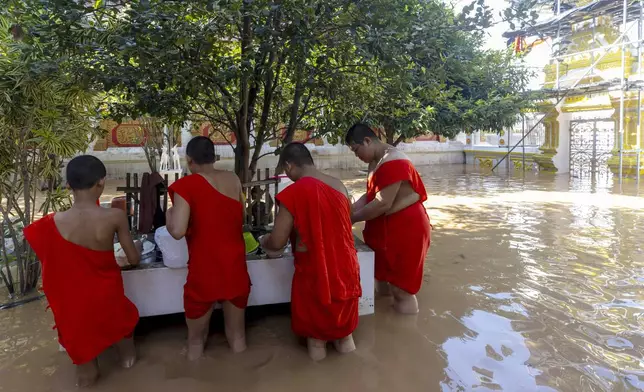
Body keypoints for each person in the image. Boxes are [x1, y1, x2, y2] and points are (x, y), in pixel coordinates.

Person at [23, 155, 141, 387]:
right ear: (101, 182)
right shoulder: (114, 217)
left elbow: (55, 265)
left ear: (68, 185)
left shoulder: (47, 224)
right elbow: (133, 259)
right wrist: (134, 250)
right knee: (128, 359)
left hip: (73, 309)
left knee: (86, 377)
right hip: (108, 300)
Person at [261, 142, 362, 361]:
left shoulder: (294, 192)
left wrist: (264, 241)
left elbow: (278, 241)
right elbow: (346, 223)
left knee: (317, 340)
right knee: (345, 337)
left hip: (316, 274)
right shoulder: (339, 186)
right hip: (346, 270)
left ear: (289, 166)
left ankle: (316, 378)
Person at [166, 136, 250, 360]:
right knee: (238, 338)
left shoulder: (186, 185)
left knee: (195, 342)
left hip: (204, 271)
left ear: (189, 160)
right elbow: (241, 216)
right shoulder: (233, 179)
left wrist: (169, 216)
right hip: (234, 266)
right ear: (214, 158)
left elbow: (178, 231)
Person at [345, 123, 431, 314]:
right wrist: (347, 211)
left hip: (407, 229)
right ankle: (384, 328)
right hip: (385, 228)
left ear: (367, 141)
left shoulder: (394, 161)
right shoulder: (375, 161)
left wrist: (351, 219)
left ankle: (405, 337)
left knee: (401, 290)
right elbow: (370, 195)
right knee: (381, 282)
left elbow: (382, 203)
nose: (356, 156)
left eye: (356, 150)